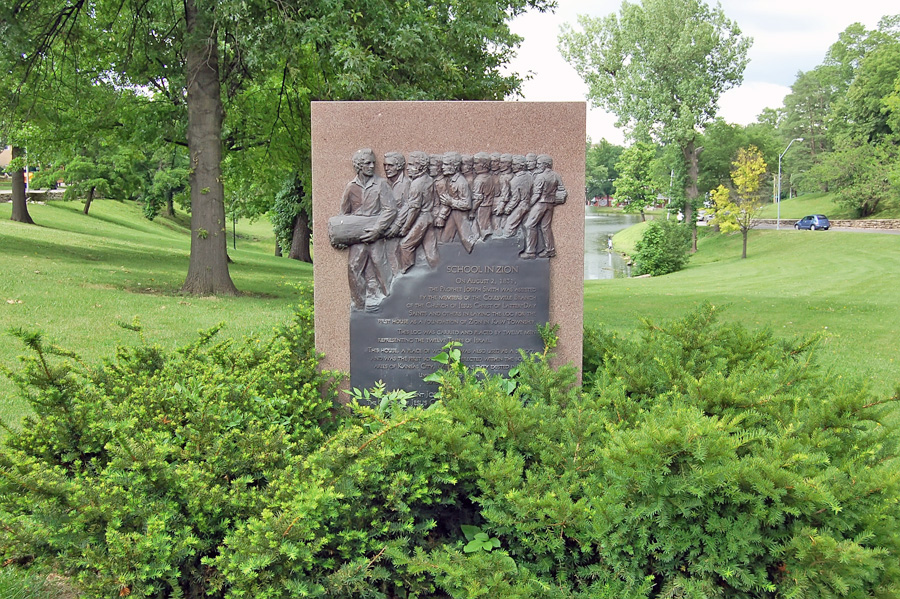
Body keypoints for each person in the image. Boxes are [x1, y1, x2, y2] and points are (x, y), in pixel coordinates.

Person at [339, 149, 397, 310]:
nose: (372, 166)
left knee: (381, 266)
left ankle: (393, 301)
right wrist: (342, 237)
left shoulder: (381, 184)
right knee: (353, 267)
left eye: (373, 163)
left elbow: (390, 209)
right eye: (367, 163)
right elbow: (344, 214)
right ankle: (359, 304)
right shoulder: (351, 187)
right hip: (357, 237)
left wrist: (377, 230)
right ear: (358, 165)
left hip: (375, 235)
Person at [398, 151, 439, 272]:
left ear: (420, 166)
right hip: (429, 218)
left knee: (405, 245)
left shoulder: (416, 184)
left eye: (411, 165)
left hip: (421, 219)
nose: (407, 168)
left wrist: (406, 227)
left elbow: (414, 209)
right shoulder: (429, 179)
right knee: (431, 250)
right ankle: (439, 271)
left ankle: (408, 273)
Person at [520, 154, 566, 259]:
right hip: (550, 204)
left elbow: (536, 194)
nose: (538, 165)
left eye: (540, 164)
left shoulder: (540, 177)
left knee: (529, 225)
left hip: (540, 203)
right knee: (545, 227)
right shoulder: (556, 175)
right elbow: (562, 190)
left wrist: (529, 204)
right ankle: (550, 250)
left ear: (545, 165)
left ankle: (531, 251)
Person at [434, 151, 476, 253]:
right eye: (443, 164)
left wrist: (451, 202)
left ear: (455, 166)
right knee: (445, 240)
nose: (443, 167)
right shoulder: (449, 180)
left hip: (461, 217)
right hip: (452, 215)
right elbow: (447, 201)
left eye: (446, 164)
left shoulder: (461, 182)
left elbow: (467, 204)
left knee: (467, 241)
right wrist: (442, 216)